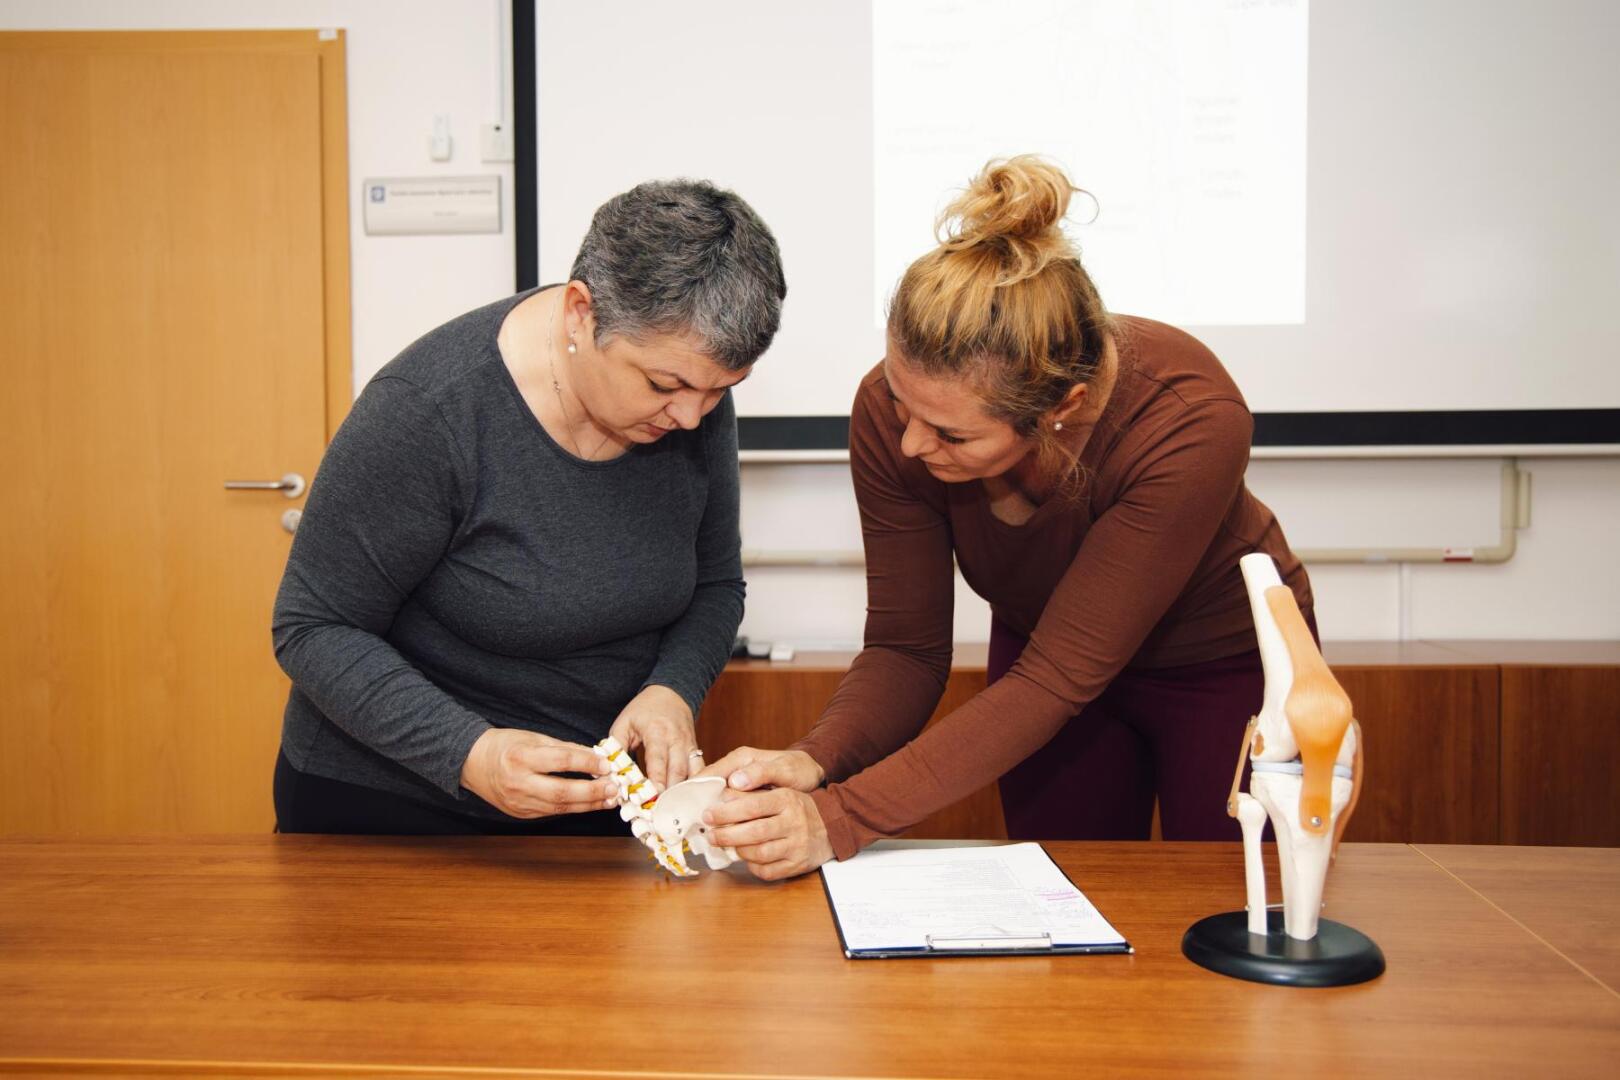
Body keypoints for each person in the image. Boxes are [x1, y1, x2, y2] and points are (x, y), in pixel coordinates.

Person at [701, 156, 1311, 878]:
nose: (910, 443)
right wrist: (814, 761)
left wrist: (839, 819)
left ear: (1062, 409)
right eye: (900, 400)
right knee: (1061, 892)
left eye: (951, 435)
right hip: (1041, 663)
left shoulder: (1188, 419)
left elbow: (1057, 678)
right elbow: (905, 649)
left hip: (1219, 663)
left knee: (1228, 900)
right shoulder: (900, 413)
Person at [271, 178, 787, 835]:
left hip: (589, 798)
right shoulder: (429, 410)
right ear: (580, 313)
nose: (691, 416)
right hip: (393, 805)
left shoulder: (692, 391)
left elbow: (715, 585)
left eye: (719, 390)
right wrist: (469, 751)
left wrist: (672, 689)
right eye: (665, 385)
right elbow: (312, 625)